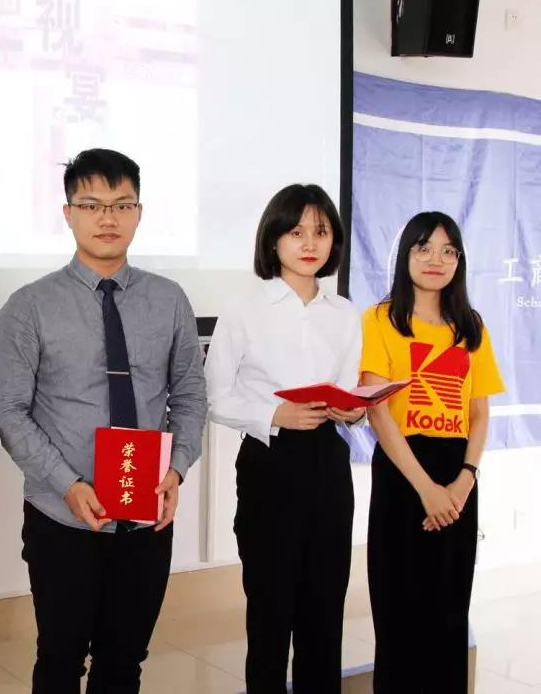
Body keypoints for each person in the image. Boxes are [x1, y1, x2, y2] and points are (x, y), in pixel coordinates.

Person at [0, 148, 208, 694]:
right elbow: (8, 409)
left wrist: (176, 470)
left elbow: (189, 396)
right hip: (63, 517)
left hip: (145, 512)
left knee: (125, 661)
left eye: (121, 205)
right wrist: (67, 484)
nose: (107, 218)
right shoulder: (29, 305)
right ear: (68, 214)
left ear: (139, 212)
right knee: (60, 659)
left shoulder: (169, 300)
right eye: (91, 205)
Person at [204, 183, 363, 692]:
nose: (310, 243)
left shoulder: (345, 313)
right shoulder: (244, 308)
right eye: (296, 232)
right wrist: (276, 414)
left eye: (321, 231)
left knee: (325, 609)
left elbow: (350, 392)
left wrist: (353, 411)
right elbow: (214, 396)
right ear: (273, 239)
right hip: (269, 462)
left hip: (328, 462)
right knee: (271, 610)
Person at [361, 211, 504, 693]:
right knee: (399, 610)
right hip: (403, 472)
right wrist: (425, 489)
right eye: (423, 248)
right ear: (405, 256)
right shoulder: (380, 319)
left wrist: (464, 480)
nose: (435, 260)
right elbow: (378, 411)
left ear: (459, 260)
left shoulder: (471, 326)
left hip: (457, 475)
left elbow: (479, 414)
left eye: (448, 250)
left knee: (448, 611)